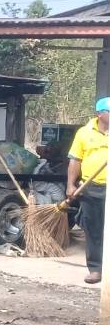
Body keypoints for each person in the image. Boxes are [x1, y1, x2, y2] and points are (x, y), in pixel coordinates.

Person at [68, 97, 109, 284]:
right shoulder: (84, 133)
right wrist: (71, 185)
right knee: (93, 229)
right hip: (91, 188)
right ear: (100, 114)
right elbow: (75, 160)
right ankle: (95, 269)